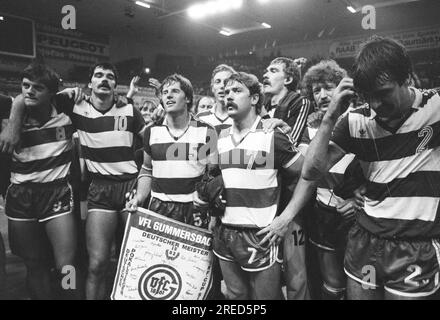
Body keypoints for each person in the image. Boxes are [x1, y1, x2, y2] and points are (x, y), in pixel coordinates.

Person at [274, 36, 440, 300]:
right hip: (365, 243)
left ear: (407, 78)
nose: (375, 105)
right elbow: (311, 172)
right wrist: (330, 117)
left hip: (414, 247)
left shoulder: (436, 108)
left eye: (383, 93)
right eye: (368, 96)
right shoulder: (356, 119)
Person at [209, 72, 305, 300]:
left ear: (254, 99)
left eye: (237, 90)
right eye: (227, 91)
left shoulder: (273, 135)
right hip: (225, 231)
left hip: (260, 235)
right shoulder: (218, 137)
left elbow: (306, 176)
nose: (228, 95)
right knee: (235, 295)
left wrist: (286, 218)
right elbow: (211, 175)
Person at [0, 63, 80, 299]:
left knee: (67, 263)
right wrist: (15, 113)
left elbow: (81, 94)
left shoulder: (66, 109)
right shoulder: (7, 115)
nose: (29, 92)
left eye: (38, 87)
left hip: (57, 193)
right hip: (21, 195)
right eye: (25, 86)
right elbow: (16, 100)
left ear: (52, 94)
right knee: (34, 264)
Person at [300, 60, 365, 299]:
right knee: (332, 284)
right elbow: (307, 173)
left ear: (343, 88)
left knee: (363, 284)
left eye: (329, 87)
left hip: (357, 218)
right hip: (323, 214)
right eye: (317, 90)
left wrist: (361, 200)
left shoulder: (362, 120)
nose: (323, 95)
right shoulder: (310, 128)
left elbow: (381, 169)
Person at [126, 73, 217, 229]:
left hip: (193, 209)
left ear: (187, 98)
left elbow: (214, 174)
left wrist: (209, 207)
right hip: (158, 208)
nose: (169, 95)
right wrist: (139, 197)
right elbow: (147, 169)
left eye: (175, 91)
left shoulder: (206, 131)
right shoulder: (152, 132)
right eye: (165, 92)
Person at [262, 57, 312, 299]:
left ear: (289, 79)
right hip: (263, 199)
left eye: (273, 71)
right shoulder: (261, 105)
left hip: (290, 200)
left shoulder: (299, 101)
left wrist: (275, 130)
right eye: (266, 70)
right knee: (265, 271)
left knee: (295, 270)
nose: (266, 74)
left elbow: (290, 147)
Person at [197, 65, 235, 135]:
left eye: (226, 82)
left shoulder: (244, 117)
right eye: (218, 82)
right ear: (212, 87)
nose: (222, 86)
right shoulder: (200, 118)